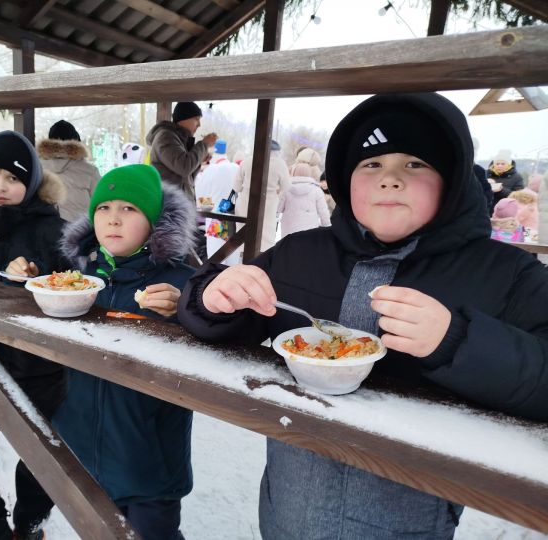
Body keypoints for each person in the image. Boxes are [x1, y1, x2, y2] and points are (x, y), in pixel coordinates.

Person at [178, 92, 548, 539]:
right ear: (344, 180)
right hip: (286, 508)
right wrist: (211, 297)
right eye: (371, 165)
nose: (389, 180)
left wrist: (458, 340)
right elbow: (215, 317)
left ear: (451, 178)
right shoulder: (300, 253)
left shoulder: (507, 274)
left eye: (414, 164)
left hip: (411, 522)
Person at [52, 164, 195, 540]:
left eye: (129, 209)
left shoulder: (184, 279)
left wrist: (188, 310)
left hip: (149, 458)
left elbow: (222, 330)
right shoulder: (76, 277)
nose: (113, 218)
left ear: (154, 221)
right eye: (104, 208)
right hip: (83, 446)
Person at [0, 130, 67, 540]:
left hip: (37, 366)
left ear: (32, 183)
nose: (1, 187)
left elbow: (75, 279)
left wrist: (40, 275)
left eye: (13, 178)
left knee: (41, 461)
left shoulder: (52, 227)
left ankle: (29, 526)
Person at [146, 101, 218, 202]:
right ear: (183, 118)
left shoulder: (179, 139)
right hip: (169, 208)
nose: (199, 125)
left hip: (178, 207)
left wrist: (199, 161)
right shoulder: (166, 137)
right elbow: (184, 167)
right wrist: (204, 144)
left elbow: (187, 176)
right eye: (196, 119)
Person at [37, 119, 100, 223]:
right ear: (77, 141)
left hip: (44, 231)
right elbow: (100, 204)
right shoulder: (90, 171)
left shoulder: (38, 169)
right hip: (79, 232)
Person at [234, 139, 292, 252]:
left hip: (245, 203)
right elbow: (287, 186)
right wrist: (277, 192)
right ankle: (261, 264)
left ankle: (242, 263)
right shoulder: (280, 164)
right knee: (265, 238)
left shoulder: (247, 161)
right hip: (268, 205)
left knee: (244, 238)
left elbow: (236, 187)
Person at [195, 139, 241, 264]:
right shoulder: (237, 168)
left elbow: (201, 198)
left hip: (216, 220)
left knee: (215, 262)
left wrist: (210, 206)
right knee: (233, 262)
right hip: (236, 220)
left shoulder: (211, 170)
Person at [278, 162, 330, 236]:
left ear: (294, 173)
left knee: (290, 247)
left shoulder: (286, 189)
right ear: (309, 175)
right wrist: (326, 224)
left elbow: (279, 208)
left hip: (288, 230)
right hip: (310, 230)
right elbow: (323, 211)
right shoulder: (316, 190)